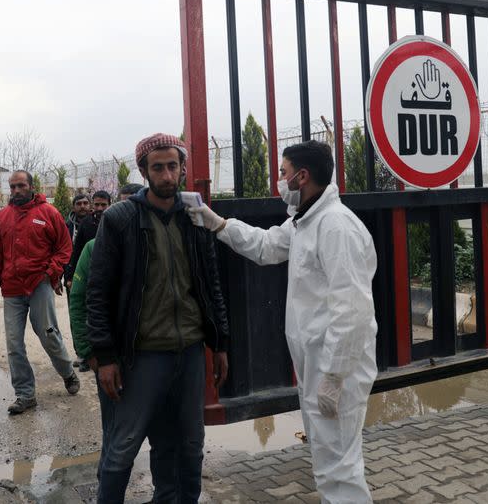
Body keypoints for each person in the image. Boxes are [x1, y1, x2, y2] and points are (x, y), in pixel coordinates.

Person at [188, 140, 377, 503]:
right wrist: (220, 225)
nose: (279, 179)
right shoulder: (307, 221)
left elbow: (352, 309)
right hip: (319, 365)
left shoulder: (336, 227)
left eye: (283, 173)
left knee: (339, 465)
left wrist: (334, 376)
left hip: (337, 369)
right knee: (330, 458)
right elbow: (267, 246)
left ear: (301, 177)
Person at [86, 133, 230, 503]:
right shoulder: (120, 219)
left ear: (182, 168)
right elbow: (97, 292)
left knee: (188, 444)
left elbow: (212, 283)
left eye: (173, 167)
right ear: (144, 171)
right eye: (158, 168)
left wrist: (221, 343)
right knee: (123, 445)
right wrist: (104, 356)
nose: (167, 176)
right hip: (142, 357)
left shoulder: (195, 216)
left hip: (190, 353)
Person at [0, 170, 80, 415]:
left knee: (48, 334)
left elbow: (64, 247)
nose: (16, 191)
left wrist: (51, 272)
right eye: (12, 187)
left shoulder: (49, 213)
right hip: (12, 289)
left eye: (20, 186)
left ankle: (67, 372)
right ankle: (25, 395)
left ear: (31, 187)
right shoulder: (2, 217)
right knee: (14, 343)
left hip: (40, 284)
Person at [65, 190, 111, 371]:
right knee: (81, 313)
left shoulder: (117, 221)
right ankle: (84, 353)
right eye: (97, 205)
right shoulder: (86, 224)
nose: (99, 208)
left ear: (110, 204)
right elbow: (76, 252)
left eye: (103, 205)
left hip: (107, 279)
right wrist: (69, 276)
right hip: (86, 275)